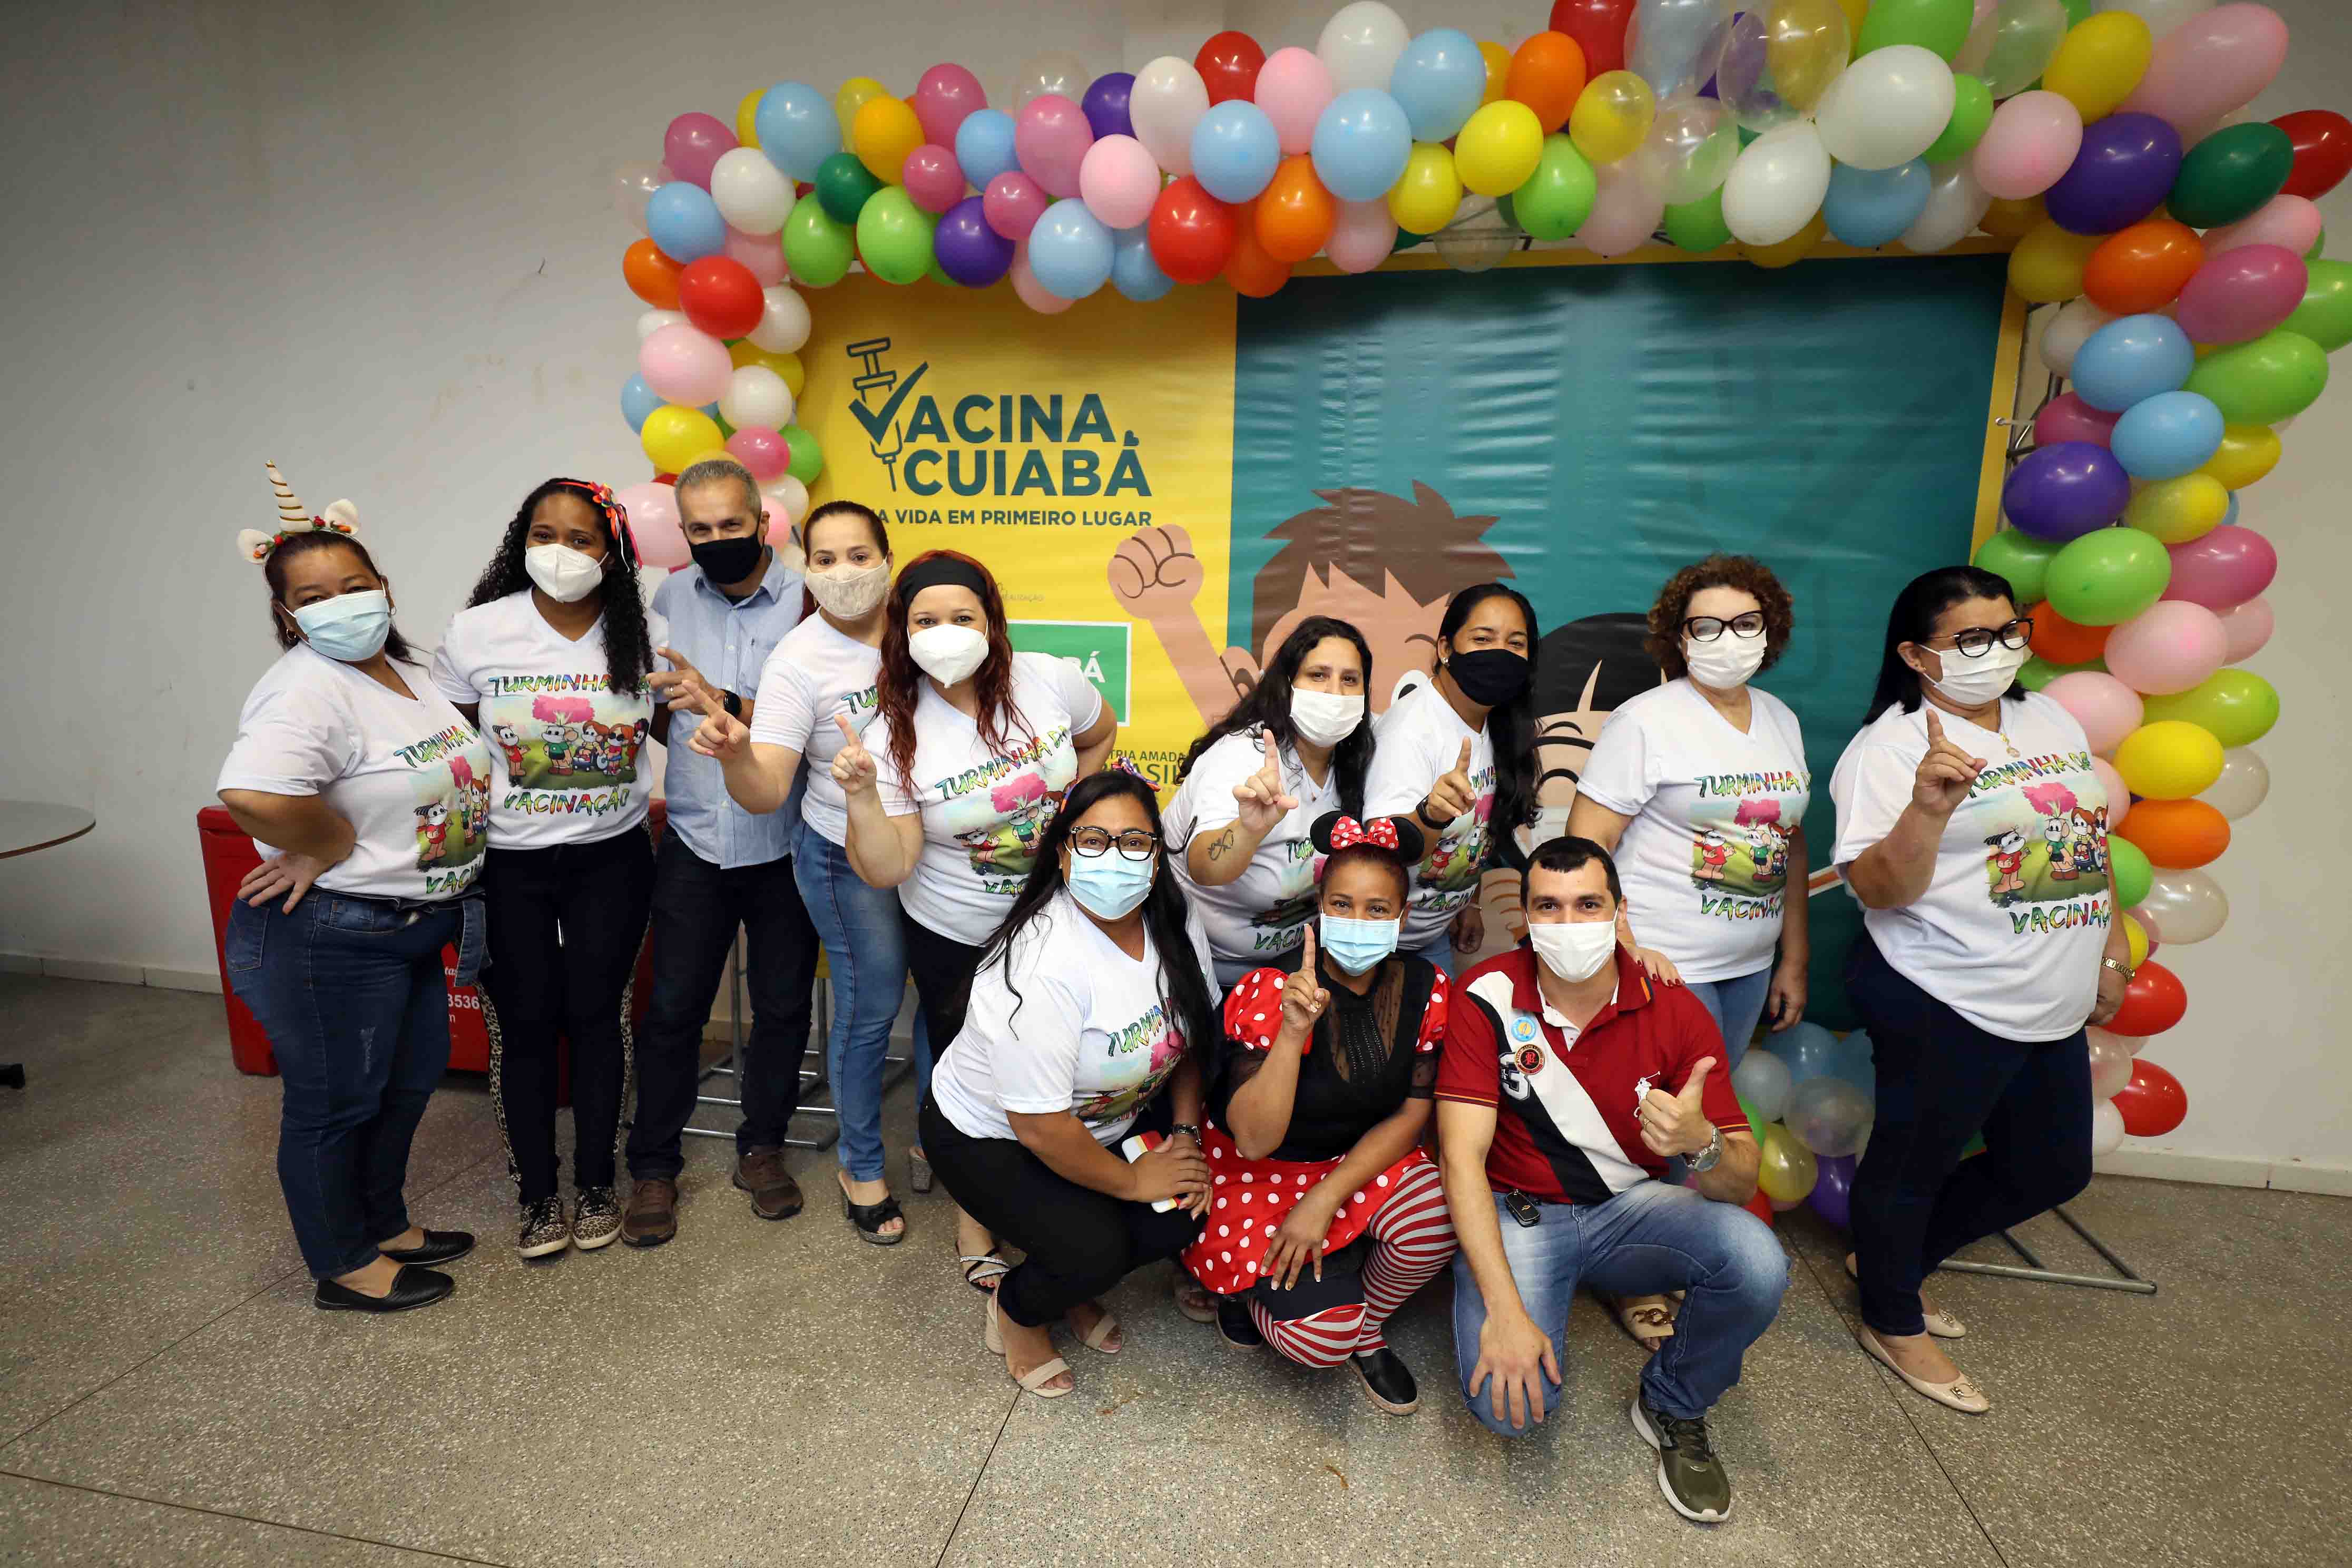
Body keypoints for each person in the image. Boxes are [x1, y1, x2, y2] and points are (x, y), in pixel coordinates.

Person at [1830, 565, 2125, 1415]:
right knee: (1911, 1165)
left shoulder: (2047, 717)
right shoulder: (1887, 750)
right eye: (1970, 638)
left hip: (2049, 995)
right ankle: (1890, 1318)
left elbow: (2084, 830)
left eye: (2008, 631)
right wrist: (1926, 808)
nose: (1996, 650)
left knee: (2051, 1168)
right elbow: (1877, 890)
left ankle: (1890, 1259)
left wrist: (2109, 946)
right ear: (1915, 655)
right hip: (1945, 994)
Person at [1436, 837, 1782, 1525]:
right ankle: (1544, 1290)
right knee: (1511, 1412)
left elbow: (1739, 1184)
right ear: (1526, 917)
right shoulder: (1487, 996)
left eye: (1588, 905)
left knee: (1757, 1260)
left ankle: (1673, 1402)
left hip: (1630, 1210)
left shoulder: (1676, 1009)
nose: (1568, 924)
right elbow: (1461, 1159)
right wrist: (1505, 1313)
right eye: (1549, 907)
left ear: (1620, 912)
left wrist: (1703, 1144)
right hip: (1520, 1213)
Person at [217, 463, 491, 1313]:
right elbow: (252, 794)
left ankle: (384, 1225)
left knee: (402, 1088)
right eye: (314, 596)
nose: (341, 604)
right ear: (287, 614)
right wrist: (327, 842)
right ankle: (342, 1265)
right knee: (336, 1102)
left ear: (383, 588)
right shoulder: (304, 689)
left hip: (409, 925)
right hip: (333, 934)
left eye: (354, 585)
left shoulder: (405, 671)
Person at [832, 550, 1116, 1260]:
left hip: (1062, 921)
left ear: (992, 623)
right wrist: (862, 797)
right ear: (904, 633)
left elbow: (1100, 733)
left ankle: (1061, 1198)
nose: (947, 634)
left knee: (1062, 1063)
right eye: (927, 621)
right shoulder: (892, 733)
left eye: (963, 617)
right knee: (973, 1082)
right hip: (959, 938)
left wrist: (1073, 818)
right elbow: (889, 866)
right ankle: (976, 1213)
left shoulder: (1047, 679)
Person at [918, 771, 1221, 1398]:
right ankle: (1018, 1308)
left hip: (1104, 1122)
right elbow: (1040, 1127)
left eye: (1133, 842)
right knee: (1093, 1249)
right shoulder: (1043, 960)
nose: (1113, 857)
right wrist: (1135, 1181)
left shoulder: (1175, 919)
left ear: (1156, 857)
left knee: (1178, 1216)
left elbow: (1191, 1039)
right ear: (1062, 853)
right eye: (1092, 840)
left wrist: (1185, 1134)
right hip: (992, 1136)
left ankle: (1067, 1283)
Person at [431, 478, 664, 1260]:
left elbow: (682, 721)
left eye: (580, 538)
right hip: (507, 863)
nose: (560, 551)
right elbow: (444, 749)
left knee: (599, 1016)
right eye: (544, 534)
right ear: (520, 541)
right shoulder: (477, 631)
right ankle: (537, 1195)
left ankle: (597, 1184)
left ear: (611, 553)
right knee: (524, 1025)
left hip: (613, 857)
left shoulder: (646, 633)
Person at [688, 500, 911, 1242]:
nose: (844, 572)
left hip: (936, 847)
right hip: (844, 855)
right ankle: (862, 1166)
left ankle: (946, 1143)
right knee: (871, 1005)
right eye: (825, 559)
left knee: (952, 1000)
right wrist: (736, 757)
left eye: (859, 555)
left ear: (887, 558)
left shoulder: (923, 629)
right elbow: (767, 789)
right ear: (805, 569)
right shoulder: (798, 659)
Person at [1184, 811, 1458, 1416]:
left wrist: (1325, 1198)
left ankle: (1367, 1326)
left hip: (1349, 1162)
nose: (1358, 922)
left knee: (1443, 1211)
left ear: (1402, 918)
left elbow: (1410, 1115)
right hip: (1258, 1175)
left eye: (1377, 910)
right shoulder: (1268, 989)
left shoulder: (1426, 987)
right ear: (1320, 909)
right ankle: (1250, 1297)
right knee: (1320, 1340)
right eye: (1342, 904)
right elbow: (1254, 1140)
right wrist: (1292, 1032)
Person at [619, 458, 818, 1246]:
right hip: (696, 839)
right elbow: (651, 703)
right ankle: (653, 1167)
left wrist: (722, 700)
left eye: (731, 524)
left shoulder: (810, 602)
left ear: (763, 521)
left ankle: (762, 1149)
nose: (716, 539)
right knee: (673, 1011)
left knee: (782, 1009)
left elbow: (822, 716)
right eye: (700, 529)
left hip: (787, 843)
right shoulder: (668, 599)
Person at [1570, 556, 1812, 1066]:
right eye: (1707, 627)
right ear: (1681, 640)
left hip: (1751, 965)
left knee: (1716, 1098)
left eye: (1746, 623)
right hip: (1667, 964)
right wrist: (1625, 946)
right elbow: (1587, 844)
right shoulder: (1644, 721)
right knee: (1675, 1102)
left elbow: (1790, 844)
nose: (1729, 639)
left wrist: (1794, 958)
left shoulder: (1782, 719)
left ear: (1769, 630)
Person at [1165, 616, 1375, 989]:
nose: (1334, 693)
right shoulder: (1241, 757)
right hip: (1194, 968)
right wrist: (1249, 829)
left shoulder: (1360, 757)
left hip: (1287, 970)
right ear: (1287, 684)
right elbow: (1204, 867)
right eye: (1318, 675)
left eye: (1349, 680)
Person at [1365, 583, 1540, 974]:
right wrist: (1430, 815)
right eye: (1483, 639)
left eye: (1516, 644)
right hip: (1380, 943)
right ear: (1446, 648)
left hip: (1432, 937)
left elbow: (1480, 829)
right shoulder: (1410, 731)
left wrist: (1469, 902)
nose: (1500, 653)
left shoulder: (1498, 722)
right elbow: (1381, 849)